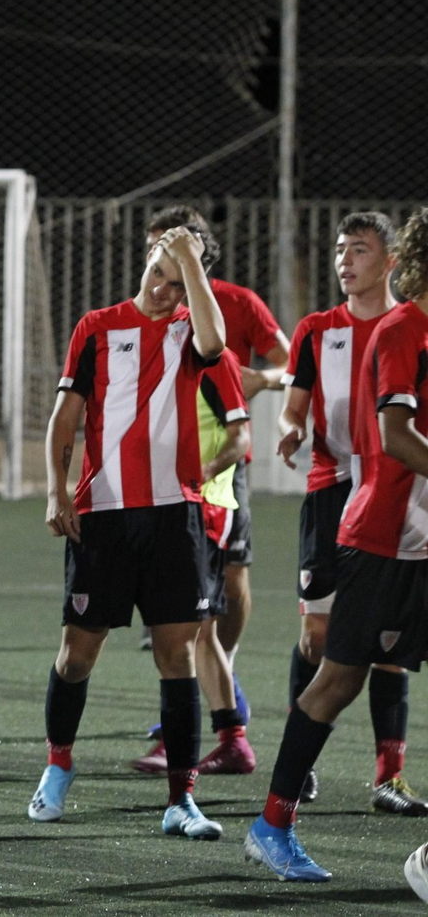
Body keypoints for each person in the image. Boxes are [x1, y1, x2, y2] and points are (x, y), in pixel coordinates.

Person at [244, 208, 428, 884]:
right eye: (341, 250)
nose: (345, 260)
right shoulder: (401, 329)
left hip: (421, 537)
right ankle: (273, 821)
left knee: (355, 672)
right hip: (380, 534)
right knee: (335, 674)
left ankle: (393, 779)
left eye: (360, 249)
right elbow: (397, 436)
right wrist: (290, 426)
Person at [31, 219, 227, 839]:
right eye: (161, 274)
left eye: (181, 283)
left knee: (177, 656)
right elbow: (64, 421)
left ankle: (181, 800)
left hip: (175, 516)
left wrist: (192, 262)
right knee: (76, 656)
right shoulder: (95, 326)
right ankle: (58, 766)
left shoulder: (189, 331)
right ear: (145, 259)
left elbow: (216, 340)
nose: (167, 292)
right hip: (105, 518)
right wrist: (56, 490)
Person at [140, 208, 288, 695]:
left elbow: (289, 364)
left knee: (233, 574)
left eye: (167, 250)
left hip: (221, 463)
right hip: (163, 466)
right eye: (152, 252)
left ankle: (226, 672)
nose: (156, 264)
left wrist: (259, 380)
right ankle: (210, 699)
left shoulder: (237, 304)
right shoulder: (146, 309)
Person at [133, 350, 253, 775]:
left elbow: (241, 437)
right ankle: (230, 739)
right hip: (175, 505)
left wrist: (203, 471)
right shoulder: (160, 353)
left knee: (187, 630)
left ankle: (181, 741)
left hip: (206, 508)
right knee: (200, 632)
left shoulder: (215, 360)